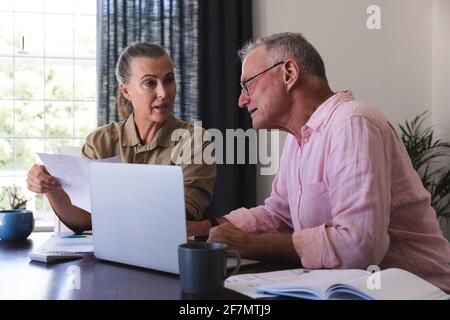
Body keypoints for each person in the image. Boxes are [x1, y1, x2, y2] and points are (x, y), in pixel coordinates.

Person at [188, 32, 450, 292]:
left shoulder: (352, 122)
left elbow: (359, 246)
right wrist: (201, 229)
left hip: (421, 292)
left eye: (248, 84)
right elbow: (277, 215)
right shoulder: (297, 139)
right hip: (356, 289)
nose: (241, 100)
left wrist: (248, 244)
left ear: (288, 73)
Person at [27, 41, 216, 233]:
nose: (164, 92)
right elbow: (84, 219)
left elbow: (181, 215)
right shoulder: (100, 142)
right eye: (150, 83)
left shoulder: (196, 141)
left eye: (169, 80)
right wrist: (51, 188)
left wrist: (111, 207)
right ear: (126, 91)